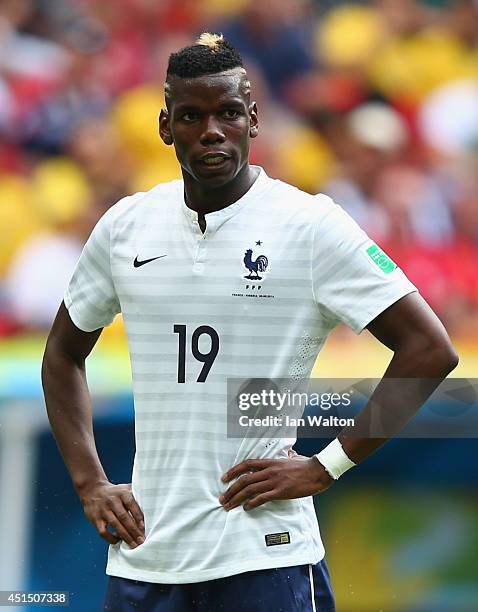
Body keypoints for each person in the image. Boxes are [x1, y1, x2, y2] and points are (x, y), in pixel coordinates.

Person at [42, 33, 458, 612]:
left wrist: (326, 465)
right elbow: (62, 353)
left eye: (228, 113)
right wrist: (90, 482)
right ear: (165, 127)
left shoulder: (310, 226)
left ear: (252, 119)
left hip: (264, 554)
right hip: (146, 555)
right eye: (191, 116)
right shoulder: (124, 227)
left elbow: (429, 350)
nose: (211, 130)